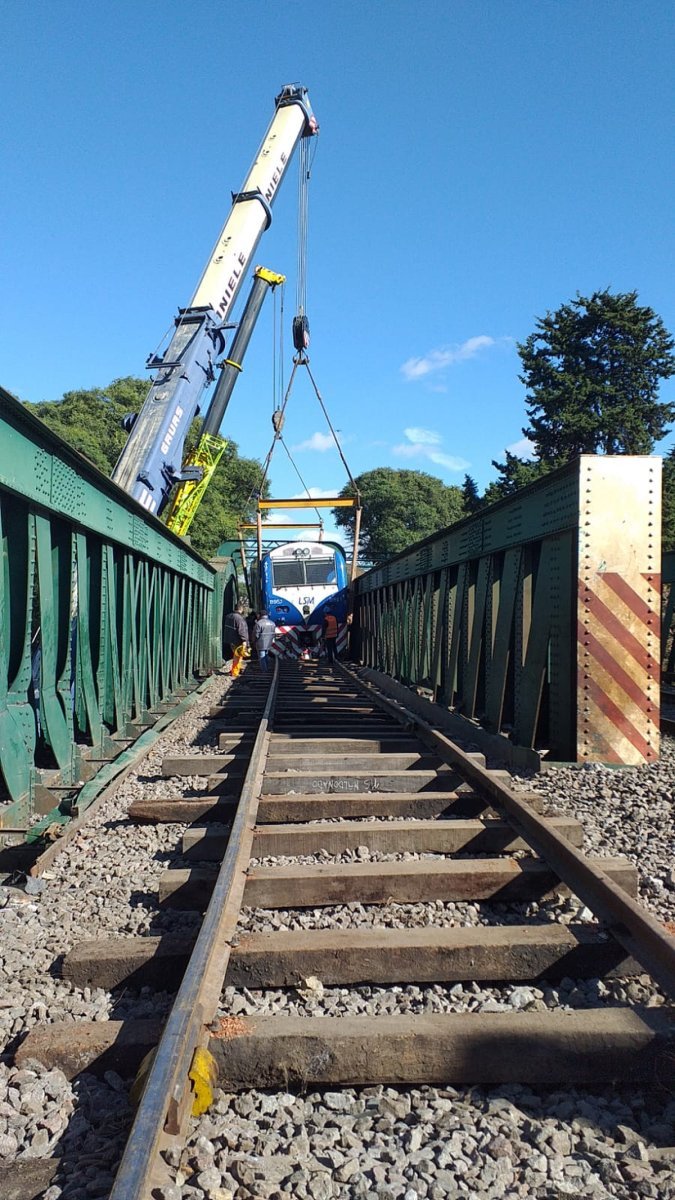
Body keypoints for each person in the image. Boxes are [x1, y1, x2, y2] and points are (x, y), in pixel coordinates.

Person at [223, 602, 249, 675]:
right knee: (238, 656)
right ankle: (235, 672)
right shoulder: (239, 618)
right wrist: (244, 640)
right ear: (241, 609)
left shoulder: (228, 616)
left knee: (236, 655)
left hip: (230, 639)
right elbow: (242, 630)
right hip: (237, 640)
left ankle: (236, 670)